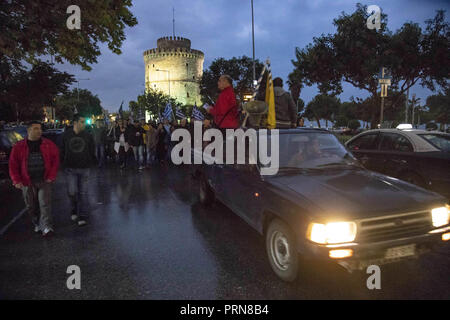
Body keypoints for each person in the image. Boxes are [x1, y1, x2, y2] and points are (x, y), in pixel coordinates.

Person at [9, 121, 59, 236]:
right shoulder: (19, 146)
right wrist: (16, 180)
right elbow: (13, 165)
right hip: (27, 182)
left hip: (44, 180)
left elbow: (55, 160)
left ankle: (46, 227)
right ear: (29, 131)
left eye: (40, 129)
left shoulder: (48, 144)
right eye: (36, 129)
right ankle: (37, 222)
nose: (39, 131)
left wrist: (51, 176)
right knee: (31, 205)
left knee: (44, 203)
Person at [61, 114, 97, 226]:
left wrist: (92, 161)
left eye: (84, 122)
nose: (84, 124)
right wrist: (63, 163)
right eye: (82, 122)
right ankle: (73, 208)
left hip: (84, 167)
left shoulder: (88, 136)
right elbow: (61, 150)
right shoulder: (66, 135)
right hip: (70, 168)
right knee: (72, 191)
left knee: (83, 192)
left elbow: (92, 149)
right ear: (75, 123)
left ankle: (82, 215)